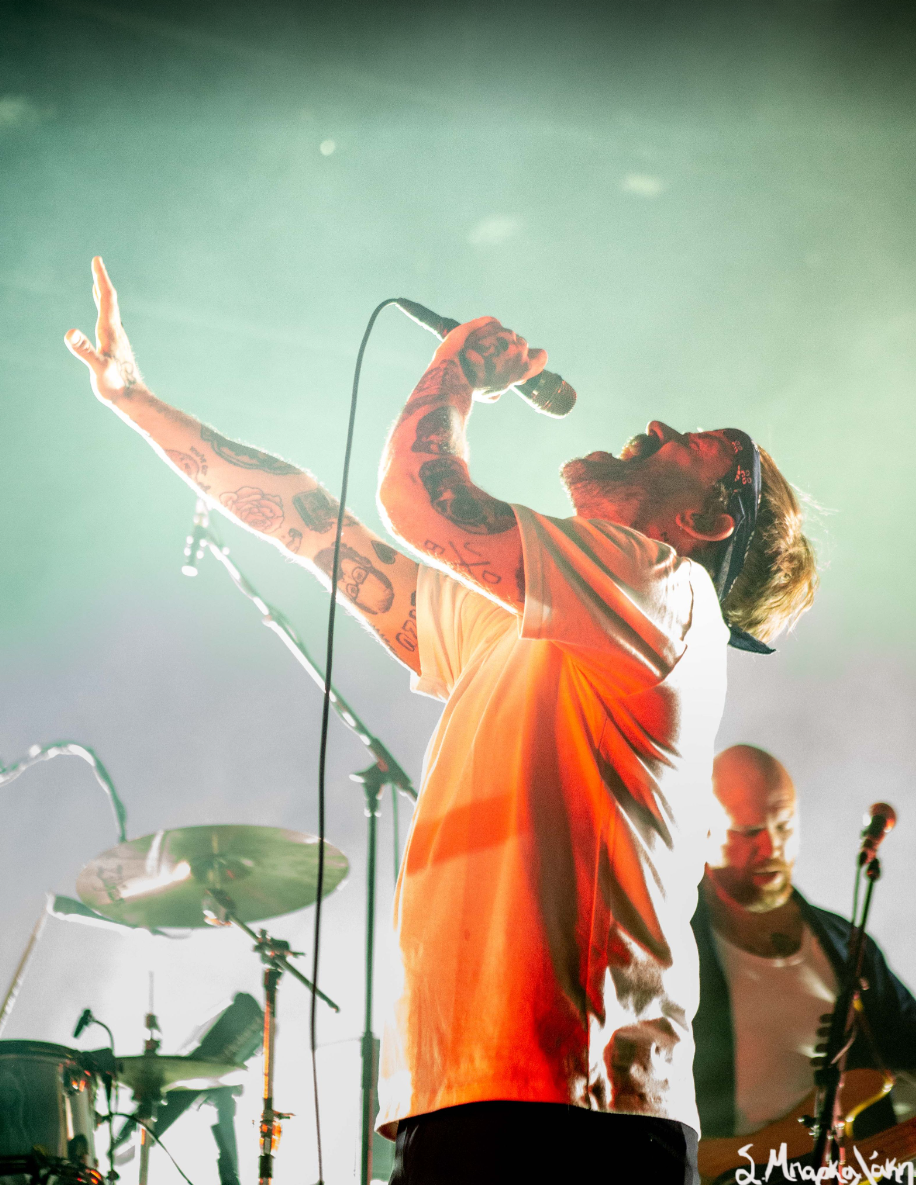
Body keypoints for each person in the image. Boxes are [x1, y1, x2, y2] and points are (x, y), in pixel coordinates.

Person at [66, 257, 818, 1184]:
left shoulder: (670, 594)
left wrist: (457, 370)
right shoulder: (528, 621)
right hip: (469, 1088)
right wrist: (136, 402)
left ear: (709, 521)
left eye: (694, 444)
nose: (656, 427)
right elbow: (314, 525)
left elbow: (420, 504)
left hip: (576, 1107)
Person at [693, 744, 916, 1146]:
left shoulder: (846, 945)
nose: (771, 848)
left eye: (784, 827)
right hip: (727, 1169)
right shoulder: (673, 944)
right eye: (749, 831)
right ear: (702, 831)